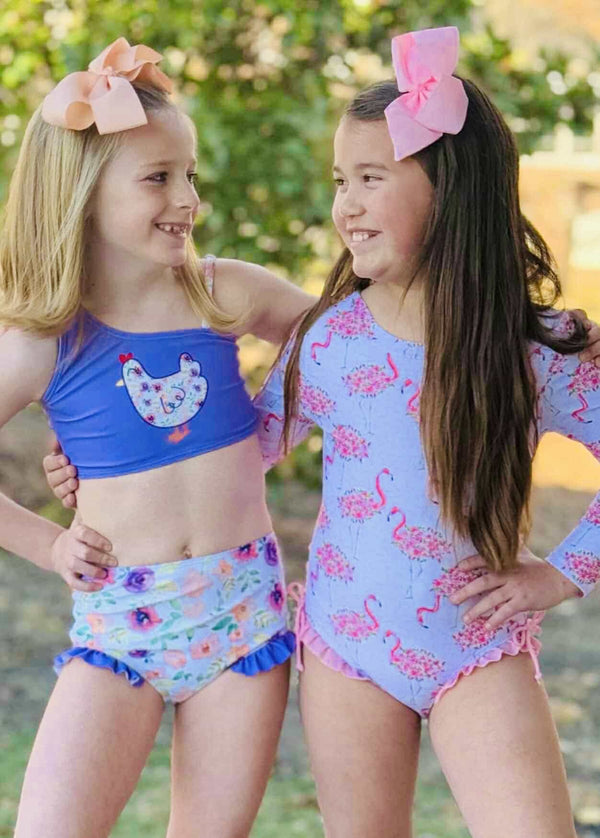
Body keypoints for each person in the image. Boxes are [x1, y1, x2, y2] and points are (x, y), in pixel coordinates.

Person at [42, 29, 600, 838]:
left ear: (452, 189)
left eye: (371, 178)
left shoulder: (531, 351)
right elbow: (242, 449)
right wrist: (97, 463)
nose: (347, 205)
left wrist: (561, 574)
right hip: (347, 654)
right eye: (342, 181)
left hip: (478, 647)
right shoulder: (331, 340)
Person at [1, 39, 313, 838]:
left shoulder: (222, 292)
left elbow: (348, 343)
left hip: (245, 621)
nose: (188, 199)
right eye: (158, 178)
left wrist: (272, 424)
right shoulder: (46, 342)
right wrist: (47, 545)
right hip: (121, 626)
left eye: (190, 175)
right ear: (81, 195)